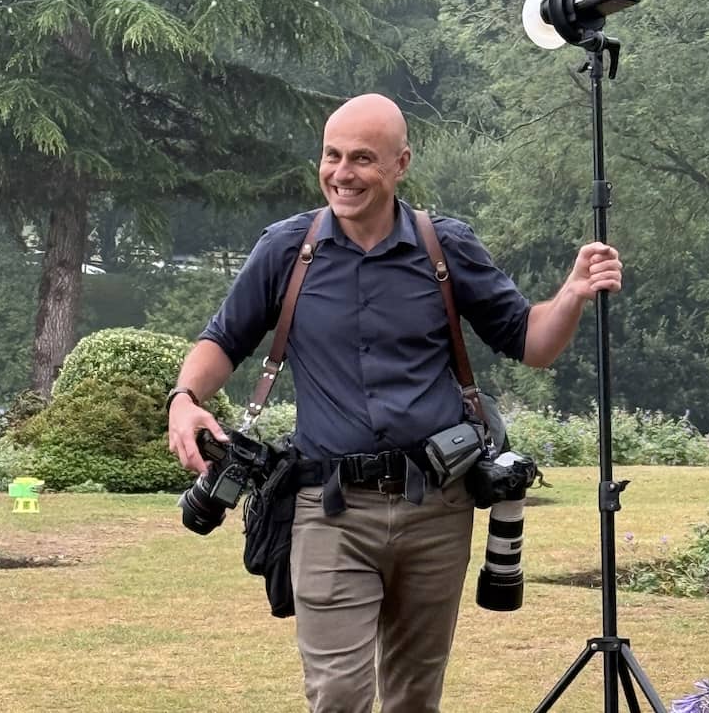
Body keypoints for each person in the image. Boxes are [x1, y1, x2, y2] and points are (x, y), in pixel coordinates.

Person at [167, 93, 622, 713]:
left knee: (414, 697)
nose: (342, 173)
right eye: (331, 156)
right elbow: (223, 339)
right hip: (329, 512)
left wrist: (570, 293)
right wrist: (186, 398)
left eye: (362, 158)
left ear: (401, 162)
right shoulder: (286, 250)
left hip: (436, 509)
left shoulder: (446, 248)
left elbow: (530, 343)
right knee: (339, 696)